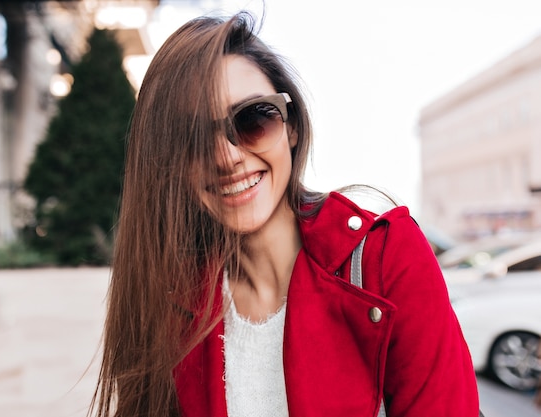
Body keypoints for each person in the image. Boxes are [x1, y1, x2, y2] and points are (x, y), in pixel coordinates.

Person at [90, 10, 480, 417]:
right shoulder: (173, 298)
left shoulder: (387, 257)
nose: (227, 157)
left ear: (291, 127)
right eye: (193, 138)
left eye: (253, 119)